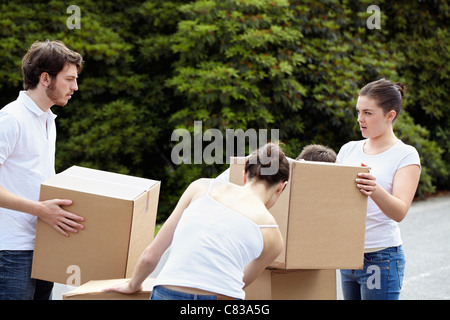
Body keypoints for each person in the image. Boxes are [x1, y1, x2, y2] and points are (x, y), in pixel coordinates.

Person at [105, 143, 288, 300]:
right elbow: (240, 281)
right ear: (281, 187)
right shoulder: (273, 235)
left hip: (169, 291)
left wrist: (133, 285)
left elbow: (150, 256)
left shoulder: (201, 188)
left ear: (244, 173)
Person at [0, 40, 85, 300]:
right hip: (11, 250)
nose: (75, 87)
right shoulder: (11, 119)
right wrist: (40, 210)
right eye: (69, 79)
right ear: (45, 78)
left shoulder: (48, 120)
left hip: (43, 244)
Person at [337, 78, 421, 300]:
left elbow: (400, 211)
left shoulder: (405, 155)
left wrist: (374, 188)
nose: (359, 119)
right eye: (358, 111)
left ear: (390, 115)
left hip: (381, 259)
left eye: (368, 113)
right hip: (348, 257)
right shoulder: (348, 150)